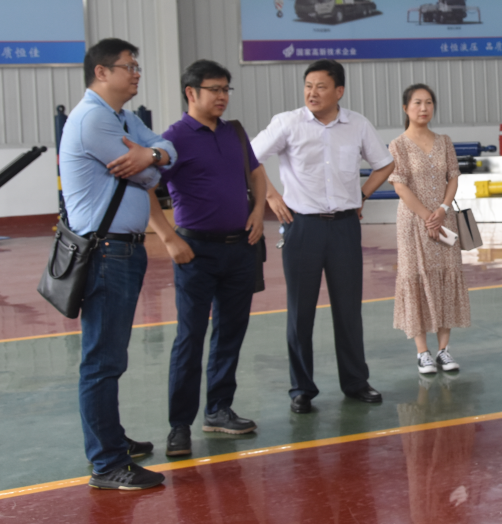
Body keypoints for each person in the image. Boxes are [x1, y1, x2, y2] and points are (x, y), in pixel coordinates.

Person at [59, 38, 176, 490]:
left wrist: (152, 154)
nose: (137, 72)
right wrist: (152, 161)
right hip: (106, 251)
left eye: (137, 65)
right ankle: (107, 463)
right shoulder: (92, 120)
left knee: (110, 357)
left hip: (123, 250)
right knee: (103, 360)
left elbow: (164, 152)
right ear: (102, 72)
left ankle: (110, 440)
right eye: (129, 66)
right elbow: (148, 175)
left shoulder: (122, 117)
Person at [252, 59, 395, 410]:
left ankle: (356, 382)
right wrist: (271, 196)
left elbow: (385, 163)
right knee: (300, 311)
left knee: (348, 309)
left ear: (339, 91)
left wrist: (362, 195)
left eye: (321, 86)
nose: (312, 93)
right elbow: (249, 158)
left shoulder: (357, 124)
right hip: (302, 226)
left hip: (345, 226)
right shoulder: (288, 123)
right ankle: (301, 389)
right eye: (308, 86)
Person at [146, 60, 267, 458]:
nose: (222, 96)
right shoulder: (173, 139)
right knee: (190, 337)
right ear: (191, 92)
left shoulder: (234, 132)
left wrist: (258, 211)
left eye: (226, 89)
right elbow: (145, 188)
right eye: (214, 89)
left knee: (230, 332)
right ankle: (179, 425)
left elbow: (256, 173)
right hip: (195, 252)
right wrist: (168, 238)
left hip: (240, 248)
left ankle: (218, 410)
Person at [388, 84, 471, 374]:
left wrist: (442, 210)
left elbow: (453, 177)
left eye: (428, 103)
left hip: (443, 219)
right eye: (417, 103)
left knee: (446, 276)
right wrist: (427, 217)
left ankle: (444, 350)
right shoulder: (398, 145)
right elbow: (399, 185)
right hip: (413, 223)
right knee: (416, 277)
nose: (423, 108)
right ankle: (422, 352)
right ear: (405, 108)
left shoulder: (445, 141)